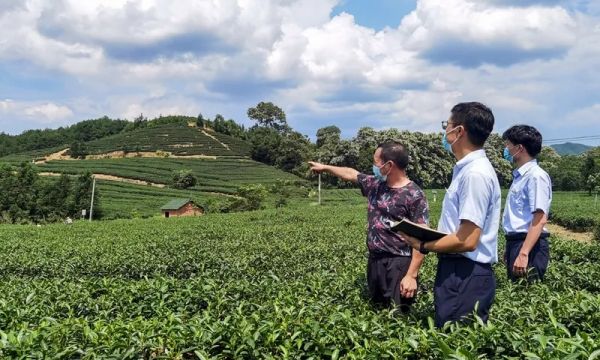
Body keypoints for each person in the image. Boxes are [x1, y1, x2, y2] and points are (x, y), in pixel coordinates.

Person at [399, 102, 501, 327]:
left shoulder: (475, 174)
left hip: (465, 272)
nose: (445, 131)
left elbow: (468, 240)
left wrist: (423, 245)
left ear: (459, 131)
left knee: (456, 339)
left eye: (448, 125)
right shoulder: (467, 170)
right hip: (458, 269)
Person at [309, 141, 429, 312]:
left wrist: (411, 275)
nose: (373, 166)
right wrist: (325, 167)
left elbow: (422, 237)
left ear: (389, 165)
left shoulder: (414, 194)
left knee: (399, 317)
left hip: (399, 263)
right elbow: (351, 173)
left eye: (376, 162)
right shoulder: (375, 184)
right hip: (375, 261)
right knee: (377, 313)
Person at [502, 125, 552, 282]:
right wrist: (510, 247)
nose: (506, 149)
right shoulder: (520, 176)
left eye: (508, 144)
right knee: (516, 295)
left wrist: (524, 253)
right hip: (517, 242)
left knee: (527, 297)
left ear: (519, 148)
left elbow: (540, 217)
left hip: (530, 246)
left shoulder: (536, 176)